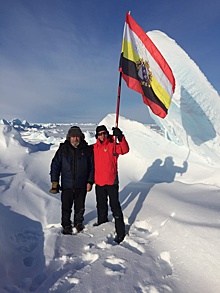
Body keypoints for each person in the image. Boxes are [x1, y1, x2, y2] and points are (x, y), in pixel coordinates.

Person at [49, 126, 94, 235]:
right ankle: (66, 225)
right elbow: (55, 165)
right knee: (66, 207)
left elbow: (92, 167)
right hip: (67, 185)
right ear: (69, 137)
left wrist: (90, 181)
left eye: (77, 136)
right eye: (73, 136)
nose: (75, 139)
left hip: (81, 184)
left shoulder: (86, 149)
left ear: (81, 137)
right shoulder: (63, 149)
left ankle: (78, 223)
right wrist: (55, 181)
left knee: (80, 206)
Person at [93, 125, 129, 244]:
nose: (102, 135)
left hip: (112, 181)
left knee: (115, 206)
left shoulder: (113, 146)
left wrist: (120, 137)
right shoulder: (94, 148)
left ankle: (120, 232)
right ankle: (102, 224)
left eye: (104, 133)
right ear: (97, 136)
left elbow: (125, 150)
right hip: (99, 182)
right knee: (101, 205)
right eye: (100, 134)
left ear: (107, 134)